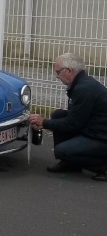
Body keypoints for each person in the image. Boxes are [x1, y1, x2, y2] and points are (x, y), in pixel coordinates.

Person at [28, 52, 107, 181]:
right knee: (58, 115)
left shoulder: (84, 90)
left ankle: (103, 166)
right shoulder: (82, 84)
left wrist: (44, 123)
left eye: (58, 72)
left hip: (101, 138)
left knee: (61, 151)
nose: (57, 76)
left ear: (68, 71)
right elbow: (74, 118)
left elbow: (73, 124)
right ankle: (71, 164)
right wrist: (48, 122)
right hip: (94, 129)